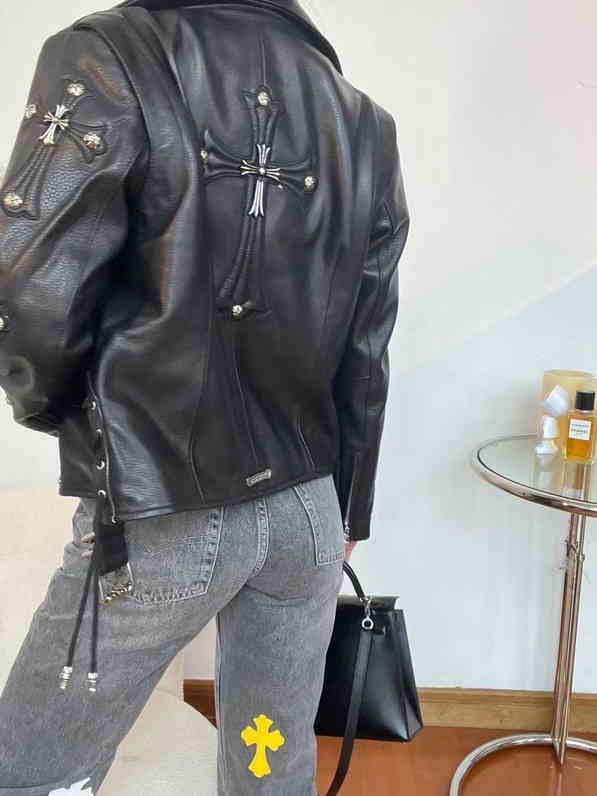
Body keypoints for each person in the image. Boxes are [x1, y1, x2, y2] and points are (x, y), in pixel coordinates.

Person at [0, 0, 409, 792]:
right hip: (307, 517)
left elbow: (26, 289)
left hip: (164, 514)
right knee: (267, 766)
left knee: (31, 772)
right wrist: (348, 509)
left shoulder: (111, 54)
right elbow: (366, 347)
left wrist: (74, 422)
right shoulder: (363, 121)